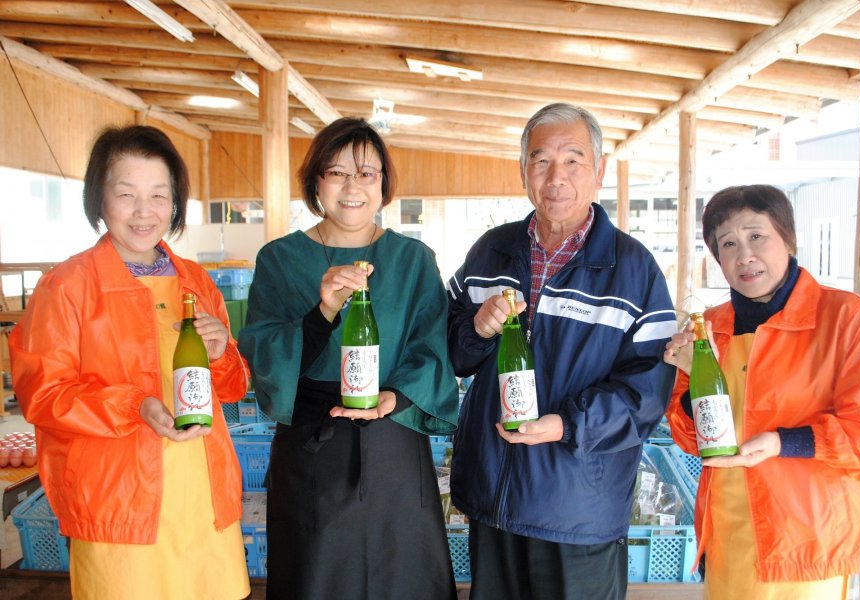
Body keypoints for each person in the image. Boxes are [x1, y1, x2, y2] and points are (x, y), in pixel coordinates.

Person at [446, 102, 678, 599]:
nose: (556, 176)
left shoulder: (634, 269)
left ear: (598, 171)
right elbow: (450, 349)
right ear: (523, 171)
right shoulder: (491, 251)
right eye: (541, 160)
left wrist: (567, 424)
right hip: (495, 499)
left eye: (573, 159)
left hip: (578, 510)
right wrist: (477, 330)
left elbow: (647, 389)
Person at [8, 125, 250, 599]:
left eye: (159, 195)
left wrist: (222, 353)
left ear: (175, 202)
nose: (145, 212)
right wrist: (134, 406)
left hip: (202, 496)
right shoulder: (67, 286)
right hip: (116, 501)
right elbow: (44, 395)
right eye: (127, 194)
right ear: (99, 199)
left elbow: (232, 388)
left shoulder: (196, 280)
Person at [238, 117, 459, 599]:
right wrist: (323, 311)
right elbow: (263, 349)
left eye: (367, 174)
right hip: (313, 443)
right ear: (316, 181)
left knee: (402, 574)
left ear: (383, 184)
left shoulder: (413, 259)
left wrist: (394, 398)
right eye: (337, 172)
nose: (352, 186)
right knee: (316, 575)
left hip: (394, 441)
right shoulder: (280, 259)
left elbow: (431, 348)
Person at [663, 184, 860, 599]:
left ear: (787, 239)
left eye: (757, 236)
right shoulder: (709, 327)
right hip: (728, 536)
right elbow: (688, 438)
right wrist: (687, 388)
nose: (744, 255)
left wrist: (783, 442)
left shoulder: (849, 319)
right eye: (728, 244)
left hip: (806, 542)